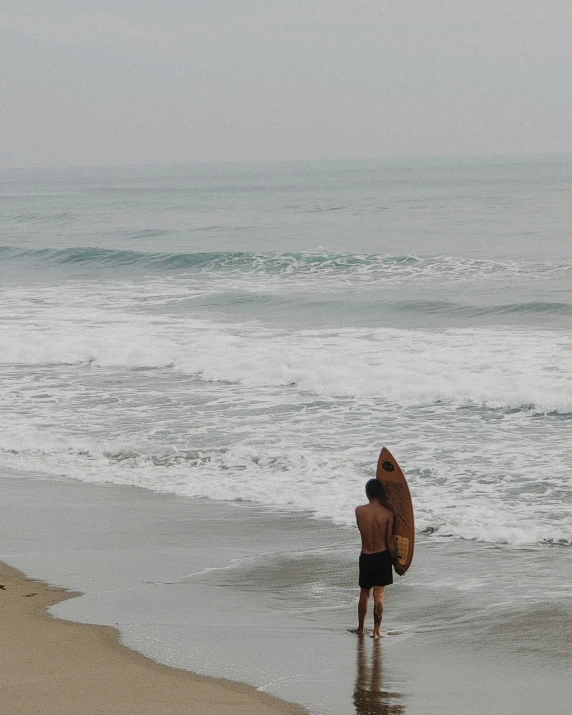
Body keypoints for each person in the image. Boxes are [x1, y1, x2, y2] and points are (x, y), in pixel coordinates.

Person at [350, 479, 405, 639]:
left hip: (366, 556)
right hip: (382, 557)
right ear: (381, 494)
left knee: (364, 593)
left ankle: (360, 629)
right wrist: (395, 562)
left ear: (366, 493)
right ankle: (376, 632)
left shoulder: (359, 511)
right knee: (379, 595)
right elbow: (389, 541)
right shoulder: (388, 515)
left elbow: (361, 529)